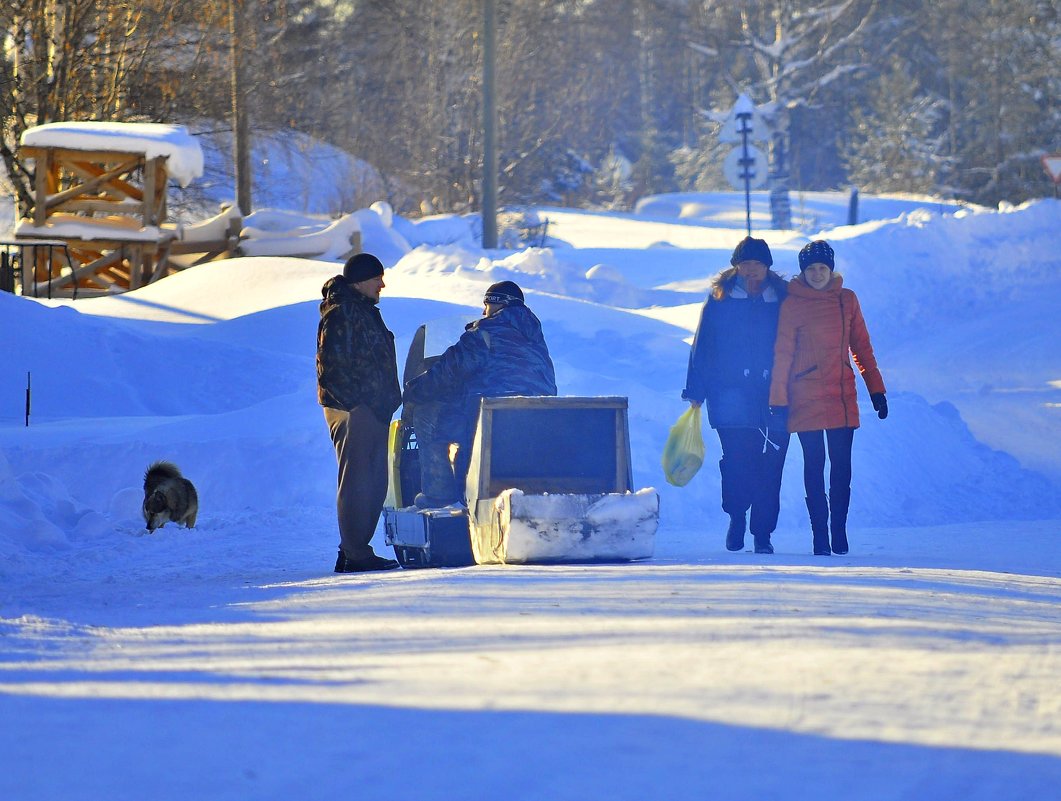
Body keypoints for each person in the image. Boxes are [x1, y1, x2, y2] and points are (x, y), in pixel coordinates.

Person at [769, 240, 887, 556]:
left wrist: (876, 388)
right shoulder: (792, 304)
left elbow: (861, 346)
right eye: (811, 269)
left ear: (831, 269)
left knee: (841, 468)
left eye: (823, 268)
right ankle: (819, 535)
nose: (818, 274)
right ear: (803, 272)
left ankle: (839, 531)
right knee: (814, 466)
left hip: (841, 394)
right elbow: (782, 353)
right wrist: (777, 400)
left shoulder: (847, 300)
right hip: (804, 394)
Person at [402, 281, 557, 508]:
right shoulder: (534, 338)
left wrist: (412, 393)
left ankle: (439, 495)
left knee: (427, 415)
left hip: (491, 418)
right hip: (536, 419)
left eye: (485, 305)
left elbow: (446, 373)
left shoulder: (484, 333)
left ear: (496, 304)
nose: (483, 312)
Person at [683, 236, 791, 554]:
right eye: (745, 263)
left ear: (767, 266)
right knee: (738, 462)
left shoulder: (784, 299)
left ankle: (763, 533)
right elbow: (702, 347)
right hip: (730, 395)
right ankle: (737, 516)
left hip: (776, 395)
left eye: (757, 263)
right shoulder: (720, 299)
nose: (751, 269)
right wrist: (696, 390)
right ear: (736, 267)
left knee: (771, 466)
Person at [316, 252, 403, 573]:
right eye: (376, 277)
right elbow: (332, 366)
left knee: (374, 480)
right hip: (354, 410)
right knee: (358, 481)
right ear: (360, 280)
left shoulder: (363, 311)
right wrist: (358, 405)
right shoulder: (342, 313)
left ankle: (355, 550)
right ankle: (355, 553)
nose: (382, 284)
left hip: (373, 409)